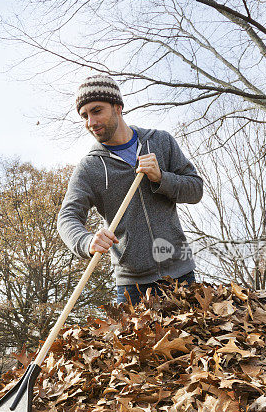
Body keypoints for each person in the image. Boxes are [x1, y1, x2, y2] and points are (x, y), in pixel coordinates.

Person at [57, 73, 203, 306]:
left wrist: (161, 178)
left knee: (193, 343)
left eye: (96, 111)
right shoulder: (90, 167)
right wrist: (86, 241)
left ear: (118, 107)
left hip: (181, 275)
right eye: (84, 116)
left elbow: (195, 189)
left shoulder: (160, 142)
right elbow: (67, 217)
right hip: (132, 287)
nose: (90, 122)